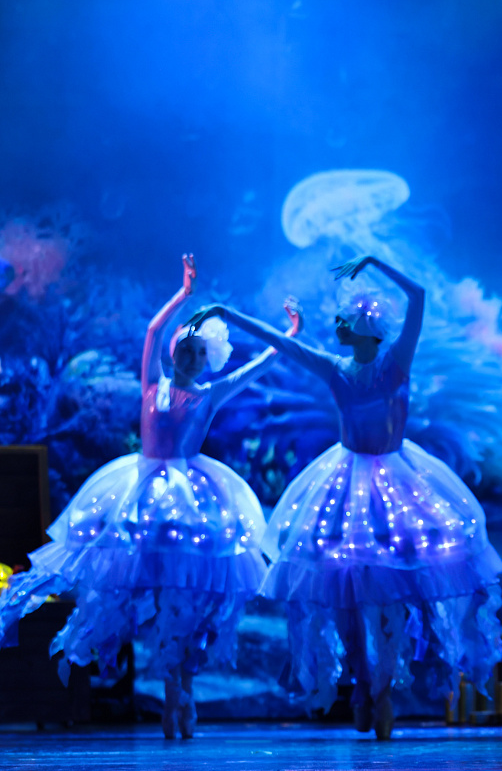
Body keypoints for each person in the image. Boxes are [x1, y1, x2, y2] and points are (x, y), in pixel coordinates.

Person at [190, 255, 502, 740]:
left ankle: (382, 686)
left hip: (397, 482)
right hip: (345, 483)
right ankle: (361, 681)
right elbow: (283, 343)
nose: (335, 326)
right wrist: (227, 315)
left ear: (366, 329)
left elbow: (418, 297)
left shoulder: (395, 364)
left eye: (343, 321)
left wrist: (376, 263)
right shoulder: (335, 369)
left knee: (393, 591)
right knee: (345, 594)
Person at [0, 254, 296, 739]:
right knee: (148, 596)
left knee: (187, 596)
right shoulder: (153, 384)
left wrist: (289, 333)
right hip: (139, 495)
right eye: (185, 349)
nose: (189, 357)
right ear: (175, 351)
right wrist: (183, 294)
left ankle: (182, 686)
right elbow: (154, 330)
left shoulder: (209, 394)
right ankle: (170, 685)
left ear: (206, 359)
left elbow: (261, 366)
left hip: (190, 499)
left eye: (198, 353)